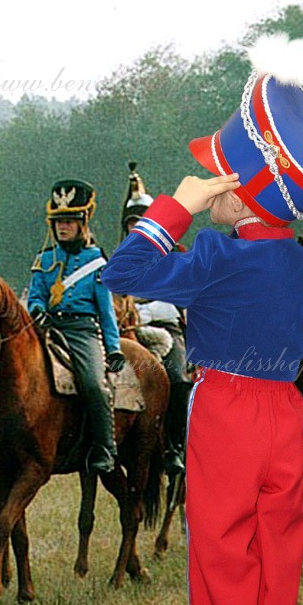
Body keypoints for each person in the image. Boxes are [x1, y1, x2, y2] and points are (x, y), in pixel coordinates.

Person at [102, 33, 303, 605]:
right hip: (286, 421)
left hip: (225, 420)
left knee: (222, 582)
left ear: (242, 192)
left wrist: (177, 206)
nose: (208, 181)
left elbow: (123, 273)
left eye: (217, 174)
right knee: (277, 582)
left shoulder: (211, 256)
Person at [27, 179, 125, 474]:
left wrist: (113, 348)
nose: (62, 227)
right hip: (48, 327)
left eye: (69, 221)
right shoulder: (45, 259)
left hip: (82, 332)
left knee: (94, 384)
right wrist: (37, 310)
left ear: (82, 223)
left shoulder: (96, 261)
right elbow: (35, 296)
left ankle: (105, 447)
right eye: (58, 222)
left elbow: (106, 312)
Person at [120, 162, 193, 475]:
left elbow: (175, 303)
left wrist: (140, 312)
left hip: (165, 329)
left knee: (177, 379)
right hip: (126, 330)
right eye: (132, 223)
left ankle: (174, 446)